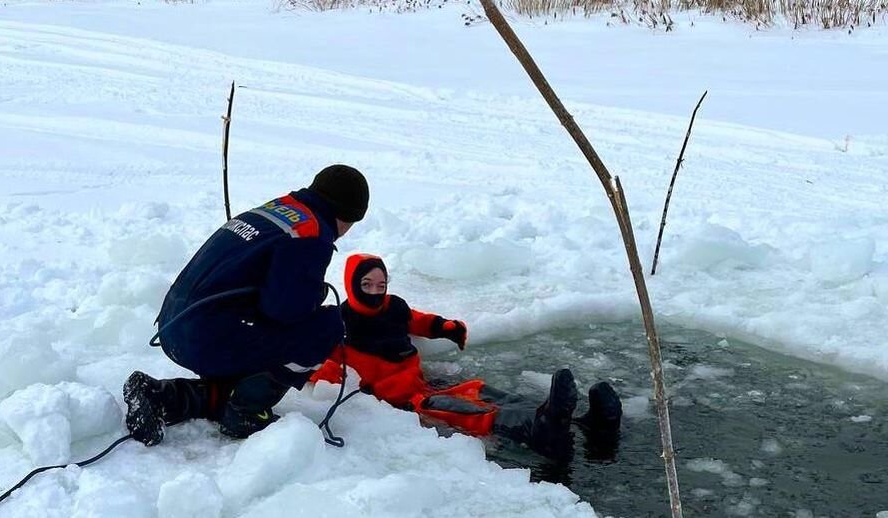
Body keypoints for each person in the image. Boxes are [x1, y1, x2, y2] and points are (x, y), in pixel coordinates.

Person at [123, 164, 369, 446]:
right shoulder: (311, 234)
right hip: (204, 336)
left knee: (258, 346)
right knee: (325, 326)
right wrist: (314, 296)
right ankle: (246, 411)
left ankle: (162, 395)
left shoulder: (278, 208)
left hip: (175, 325)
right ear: (347, 214)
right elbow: (286, 310)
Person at [309, 254, 623, 459]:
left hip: (425, 382)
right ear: (352, 284)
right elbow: (321, 364)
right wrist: (323, 378)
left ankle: (583, 424)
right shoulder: (341, 323)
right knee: (466, 410)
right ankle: (537, 428)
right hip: (405, 400)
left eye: (381, 283)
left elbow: (416, 320)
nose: (376, 291)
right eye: (367, 284)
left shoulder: (394, 306)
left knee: (482, 389)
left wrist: (446, 327)